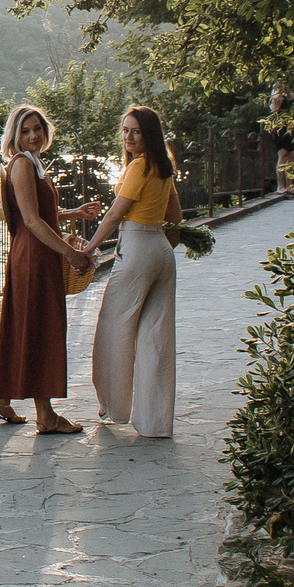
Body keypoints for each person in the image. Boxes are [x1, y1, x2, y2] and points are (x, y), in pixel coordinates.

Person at [0, 103, 100, 435]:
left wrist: (74, 213)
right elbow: (32, 221)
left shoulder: (33, 163)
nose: (33, 135)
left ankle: (2, 399)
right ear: (15, 135)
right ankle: (46, 416)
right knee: (40, 328)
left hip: (34, 252)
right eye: (25, 130)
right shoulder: (22, 165)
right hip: (35, 255)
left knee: (25, 324)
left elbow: (40, 212)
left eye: (37, 128)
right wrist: (71, 253)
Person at [85, 105, 184, 437]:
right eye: (125, 130)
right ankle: (155, 423)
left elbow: (114, 215)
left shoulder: (140, 166)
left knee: (114, 328)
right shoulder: (164, 168)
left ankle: (114, 408)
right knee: (157, 336)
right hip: (162, 251)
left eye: (135, 131)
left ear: (148, 134)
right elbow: (177, 216)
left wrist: (89, 248)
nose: (127, 137)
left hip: (138, 248)